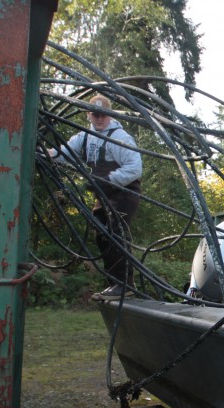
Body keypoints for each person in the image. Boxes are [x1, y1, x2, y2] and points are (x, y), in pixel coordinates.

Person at [50, 94, 142, 300]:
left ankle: (124, 283)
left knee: (115, 231)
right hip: (103, 193)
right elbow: (65, 153)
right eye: (95, 115)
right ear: (88, 115)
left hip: (124, 192)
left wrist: (108, 179)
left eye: (103, 115)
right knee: (101, 234)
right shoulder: (84, 137)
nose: (99, 119)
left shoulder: (120, 138)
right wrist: (47, 153)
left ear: (110, 115)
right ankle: (115, 283)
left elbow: (135, 169)